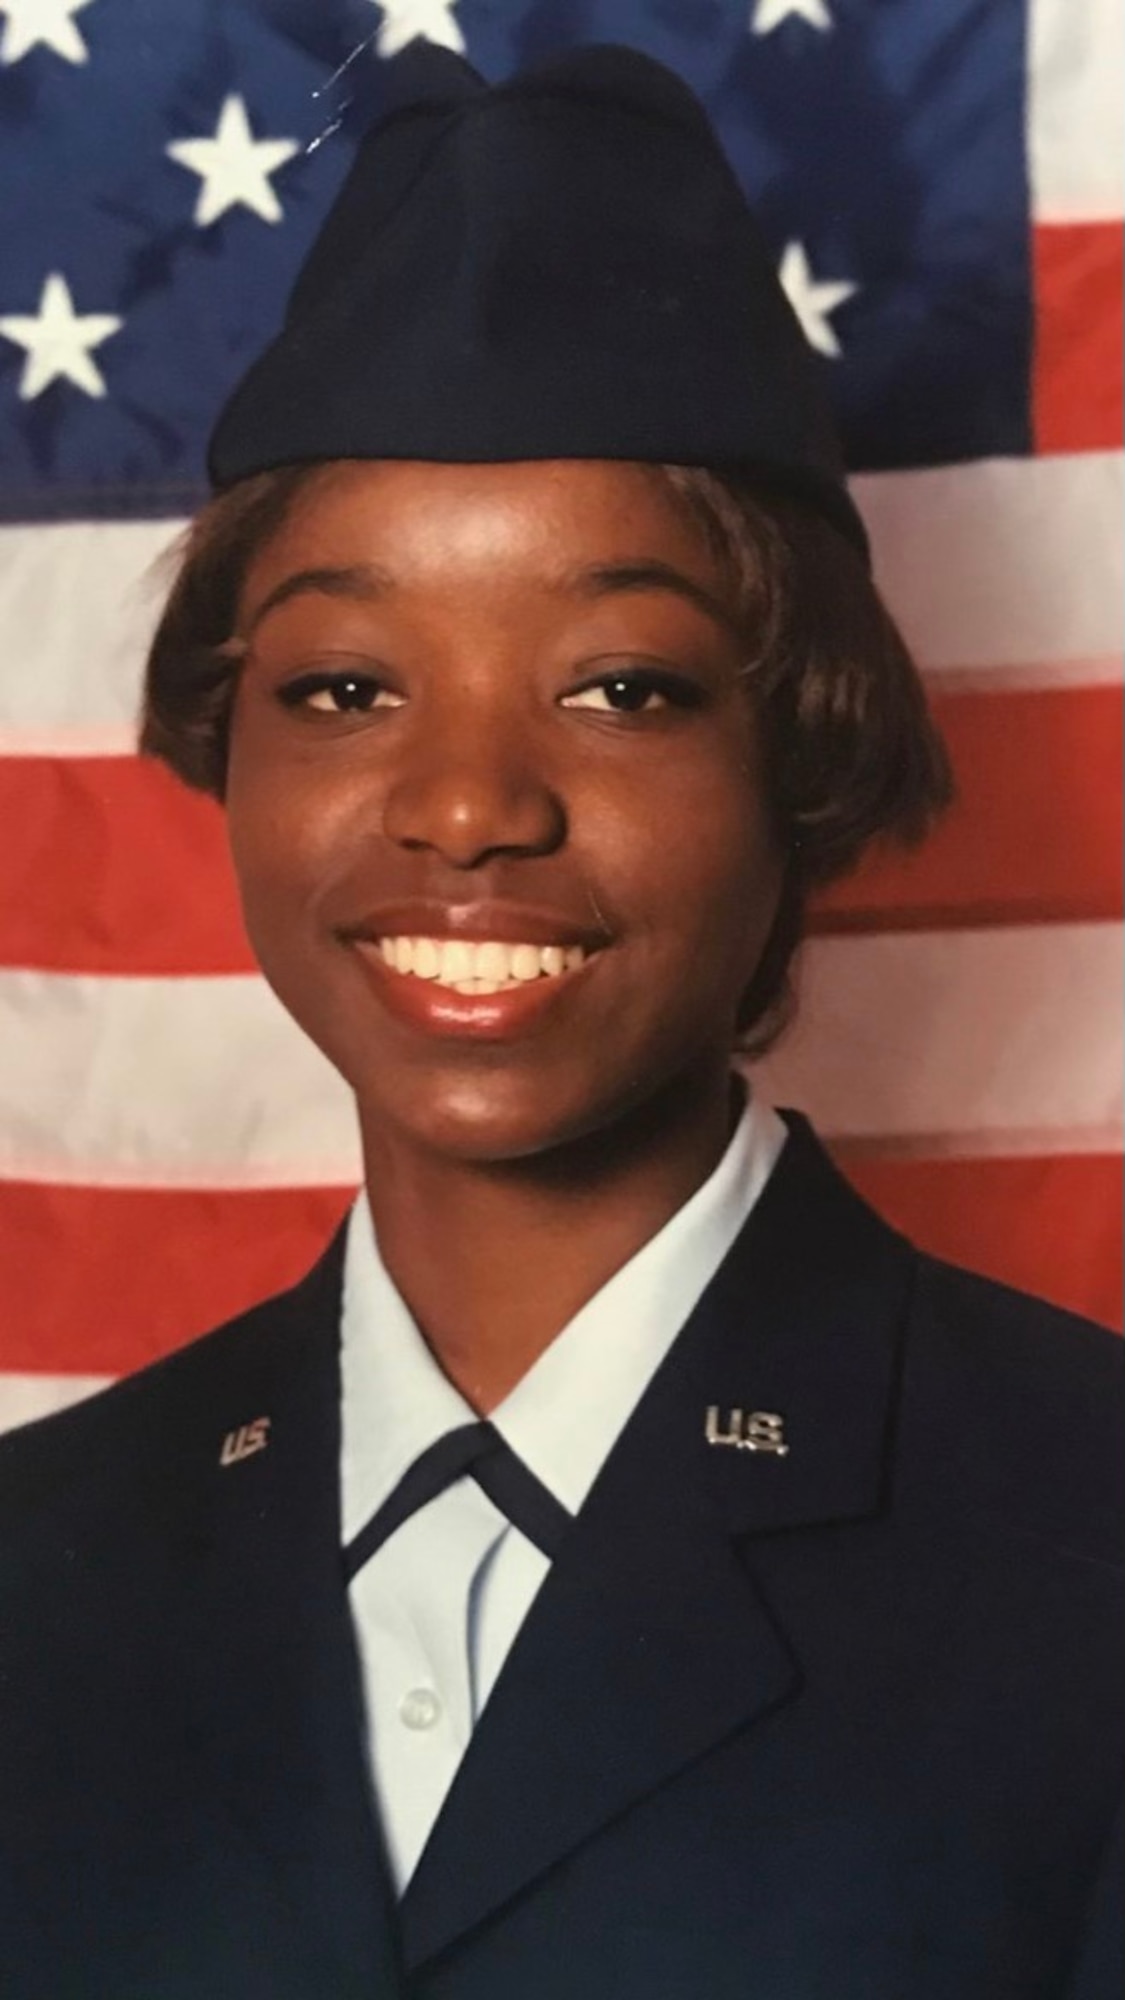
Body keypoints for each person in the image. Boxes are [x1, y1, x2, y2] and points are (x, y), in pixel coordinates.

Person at [0, 42, 1120, 2000]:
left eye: (620, 685)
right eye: (348, 687)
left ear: (803, 755)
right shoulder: (35, 1563)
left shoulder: (1084, 1537)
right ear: (227, 750)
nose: (464, 804)